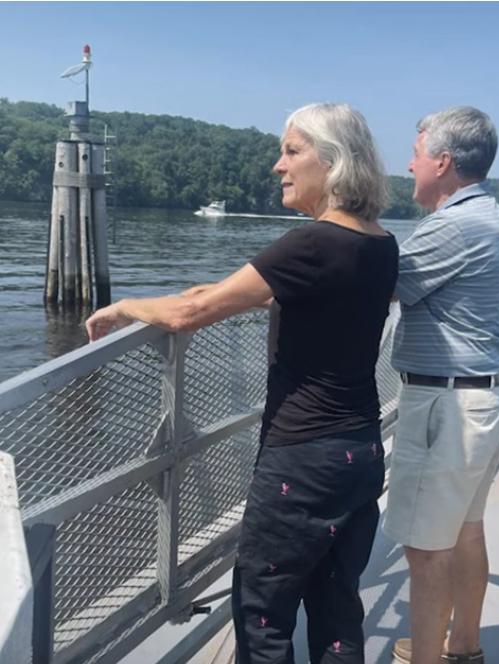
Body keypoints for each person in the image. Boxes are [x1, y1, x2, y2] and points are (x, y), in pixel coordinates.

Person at [86, 102, 399, 664]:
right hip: (358, 451)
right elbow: (278, 290)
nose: (279, 166)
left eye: (292, 151)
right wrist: (215, 290)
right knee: (336, 610)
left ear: (333, 162)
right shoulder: (378, 243)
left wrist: (128, 306)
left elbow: (191, 313)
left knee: (263, 614)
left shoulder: (311, 243)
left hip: (301, 460)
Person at [382, 107, 499, 664]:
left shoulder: (454, 225)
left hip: (450, 405)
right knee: (465, 531)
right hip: (483, 398)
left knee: (425, 547)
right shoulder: (492, 215)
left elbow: (383, 284)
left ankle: (430, 658)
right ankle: (463, 647)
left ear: (442, 162)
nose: (409, 165)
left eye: (415, 154)